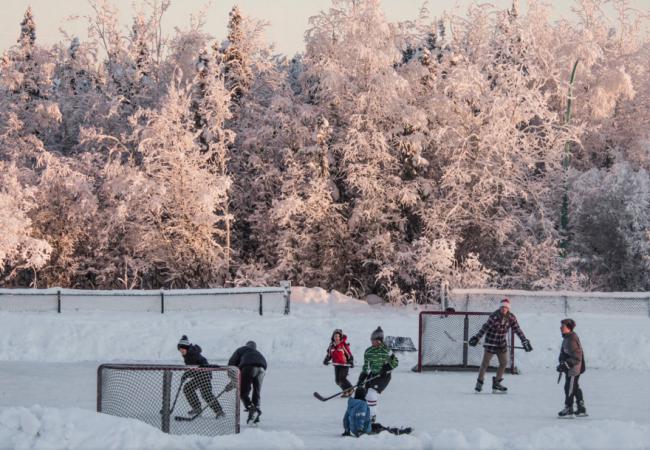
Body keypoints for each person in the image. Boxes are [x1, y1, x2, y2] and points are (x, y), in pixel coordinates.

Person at [469, 298, 533, 393]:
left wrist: (524, 340)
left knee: (503, 363)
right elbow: (485, 328)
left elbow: (517, 329)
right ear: (500, 307)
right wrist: (477, 337)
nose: (504, 309)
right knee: (485, 364)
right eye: (502, 307)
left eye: (506, 307)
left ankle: (496, 383)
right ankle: (479, 383)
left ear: (508, 309)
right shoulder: (494, 317)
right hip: (491, 343)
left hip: (501, 344)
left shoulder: (511, 317)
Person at [356, 326, 398, 422]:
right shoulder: (368, 351)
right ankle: (364, 414)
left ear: (379, 340)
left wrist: (386, 368)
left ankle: (372, 417)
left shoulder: (386, 350)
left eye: (373, 339)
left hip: (384, 376)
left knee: (371, 394)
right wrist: (361, 379)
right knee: (364, 394)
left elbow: (395, 362)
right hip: (373, 374)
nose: (371, 341)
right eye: (371, 339)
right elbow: (366, 367)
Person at [177, 335, 225, 418]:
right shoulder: (188, 354)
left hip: (204, 375)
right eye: (180, 350)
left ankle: (219, 411)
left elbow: (200, 366)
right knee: (188, 388)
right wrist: (186, 375)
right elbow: (193, 368)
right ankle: (197, 408)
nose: (181, 351)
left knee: (206, 393)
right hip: (198, 376)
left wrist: (187, 374)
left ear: (186, 347)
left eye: (182, 349)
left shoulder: (192, 354)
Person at [342, 389, 411, 437]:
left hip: (354, 429)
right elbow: (360, 417)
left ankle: (390, 430)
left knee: (377, 425)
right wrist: (360, 431)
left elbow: (345, 419)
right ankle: (397, 432)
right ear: (363, 395)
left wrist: (347, 431)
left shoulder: (352, 404)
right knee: (380, 429)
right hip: (363, 431)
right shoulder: (362, 404)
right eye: (365, 394)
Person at [228, 340, 267, 424]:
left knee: (242, 392)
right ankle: (255, 416)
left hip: (249, 367)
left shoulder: (242, 349)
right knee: (256, 392)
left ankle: (251, 408)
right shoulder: (257, 353)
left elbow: (232, 364)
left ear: (246, 345)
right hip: (262, 369)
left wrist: (232, 380)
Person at [557, 318, 587, 418]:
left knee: (569, 388)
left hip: (574, 369)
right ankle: (581, 408)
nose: (560, 327)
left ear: (569, 328)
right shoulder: (566, 337)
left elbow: (577, 356)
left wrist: (566, 364)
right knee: (574, 387)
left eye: (563, 326)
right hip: (570, 368)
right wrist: (561, 363)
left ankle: (569, 408)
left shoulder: (572, 339)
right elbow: (563, 353)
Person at [323, 328, 354, 397]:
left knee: (342, 378)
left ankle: (350, 389)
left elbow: (349, 355)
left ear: (340, 337)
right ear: (333, 337)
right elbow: (329, 355)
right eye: (335, 336)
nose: (336, 338)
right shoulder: (331, 346)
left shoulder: (343, 345)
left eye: (338, 336)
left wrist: (351, 361)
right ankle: (346, 391)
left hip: (344, 365)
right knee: (337, 381)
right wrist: (326, 360)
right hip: (337, 365)